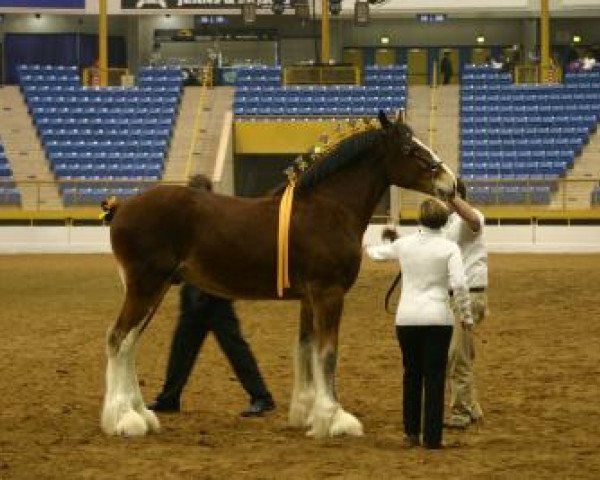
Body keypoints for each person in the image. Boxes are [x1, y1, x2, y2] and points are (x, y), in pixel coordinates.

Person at [148, 174, 275, 417]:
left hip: (216, 298)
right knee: (182, 350)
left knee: (234, 348)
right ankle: (169, 397)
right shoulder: (187, 226)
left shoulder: (223, 223)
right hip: (194, 298)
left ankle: (262, 397)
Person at [366, 198, 473, 449]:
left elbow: (374, 253)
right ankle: (433, 438)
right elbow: (459, 285)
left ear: (419, 219)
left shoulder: (404, 245)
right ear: (445, 221)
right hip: (438, 318)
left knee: (411, 375)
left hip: (407, 318)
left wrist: (383, 237)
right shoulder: (450, 248)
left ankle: (411, 433)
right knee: (435, 378)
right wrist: (466, 317)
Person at [443, 179, 488, 429]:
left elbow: (473, 219)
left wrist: (451, 198)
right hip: (458, 296)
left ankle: (461, 412)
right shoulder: (448, 223)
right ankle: (472, 407)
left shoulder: (470, 217)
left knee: (456, 355)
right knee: (463, 354)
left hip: (468, 296)